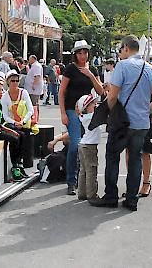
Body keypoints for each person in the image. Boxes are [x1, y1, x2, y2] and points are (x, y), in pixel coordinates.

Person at [90, 35, 152, 212]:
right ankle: (131, 199)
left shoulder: (122, 66)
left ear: (126, 48)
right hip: (141, 123)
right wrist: (145, 111)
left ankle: (111, 196)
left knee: (113, 157)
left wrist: (111, 113)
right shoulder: (151, 69)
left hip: (122, 123)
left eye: (120, 49)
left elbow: (113, 96)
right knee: (135, 159)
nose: (120, 53)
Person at [58, 40, 104, 195]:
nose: (83, 55)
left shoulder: (93, 69)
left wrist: (90, 74)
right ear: (75, 54)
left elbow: (100, 90)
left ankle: (82, 180)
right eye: (80, 53)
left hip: (87, 111)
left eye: (85, 52)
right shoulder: (70, 69)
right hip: (72, 109)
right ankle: (71, 181)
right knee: (75, 144)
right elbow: (61, 91)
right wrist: (63, 113)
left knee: (86, 145)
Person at [1, 70, 36, 173]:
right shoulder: (5, 96)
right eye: (13, 81)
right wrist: (15, 122)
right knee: (16, 136)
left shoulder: (23, 92)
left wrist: (23, 121)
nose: (15, 83)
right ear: (8, 82)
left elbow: (31, 110)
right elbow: (5, 116)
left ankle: (19, 162)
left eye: (17, 81)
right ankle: (16, 162)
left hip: (24, 123)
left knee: (23, 136)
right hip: (12, 123)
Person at [76, 94, 101, 202]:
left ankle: (82, 193)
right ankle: (92, 195)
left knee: (83, 170)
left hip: (83, 145)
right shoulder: (91, 117)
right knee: (91, 170)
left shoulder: (83, 117)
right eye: (92, 104)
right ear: (86, 107)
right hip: (90, 145)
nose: (95, 105)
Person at [25, 55, 42, 124]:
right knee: (32, 103)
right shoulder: (34, 66)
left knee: (34, 103)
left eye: (29, 59)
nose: (29, 61)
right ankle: (34, 116)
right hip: (31, 88)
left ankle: (35, 117)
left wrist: (34, 85)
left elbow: (37, 76)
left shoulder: (36, 66)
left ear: (33, 59)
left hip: (34, 89)